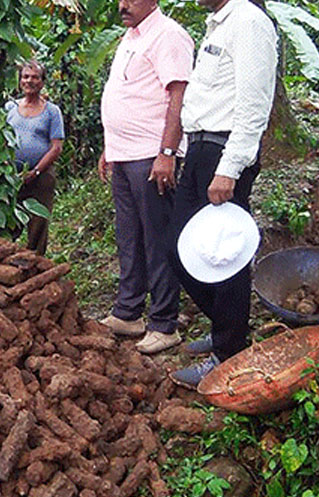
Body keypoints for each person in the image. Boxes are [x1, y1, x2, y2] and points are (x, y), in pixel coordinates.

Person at [168, 0, 278, 387]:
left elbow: (253, 104)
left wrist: (229, 168)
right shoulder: (218, 24)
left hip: (223, 151)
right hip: (199, 149)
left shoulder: (248, 22)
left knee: (225, 254)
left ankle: (228, 350)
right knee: (179, 248)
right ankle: (225, 328)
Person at [97, 0, 193, 355]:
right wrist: (111, 147)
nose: (123, 5)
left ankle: (164, 322)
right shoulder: (130, 37)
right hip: (124, 155)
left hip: (151, 156)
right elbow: (128, 95)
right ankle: (128, 311)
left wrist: (167, 152)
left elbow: (178, 96)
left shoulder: (168, 35)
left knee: (157, 239)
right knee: (129, 238)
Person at [6, 60, 65, 255]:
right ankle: (6, 265)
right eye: (25, 77)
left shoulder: (52, 112)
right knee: (8, 224)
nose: (29, 81)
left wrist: (36, 171)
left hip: (41, 177)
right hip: (10, 177)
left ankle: (35, 265)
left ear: (42, 82)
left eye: (35, 77)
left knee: (38, 225)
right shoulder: (10, 108)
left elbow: (56, 147)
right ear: (20, 81)